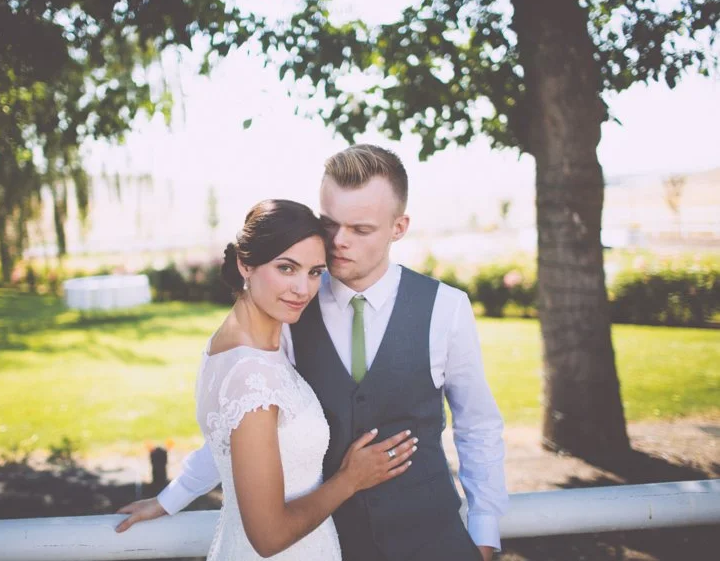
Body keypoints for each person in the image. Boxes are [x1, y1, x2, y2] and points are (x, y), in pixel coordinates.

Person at [118, 146, 508, 561]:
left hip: (434, 542)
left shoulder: (446, 308)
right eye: (329, 224)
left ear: (399, 227)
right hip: (333, 543)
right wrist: (171, 498)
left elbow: (478, 427)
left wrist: (484, 539)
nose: (338, 242)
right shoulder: (289, 308)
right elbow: (243, 426)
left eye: (360, 229)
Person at [117, 199, 417, 560]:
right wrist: (350, 480)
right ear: (246, 264)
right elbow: (268, 536)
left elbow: (230, 446)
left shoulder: (250, 345)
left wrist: (170, 498)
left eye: (314, 272)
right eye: (286, 268)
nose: (303, 290)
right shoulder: (251, 376)